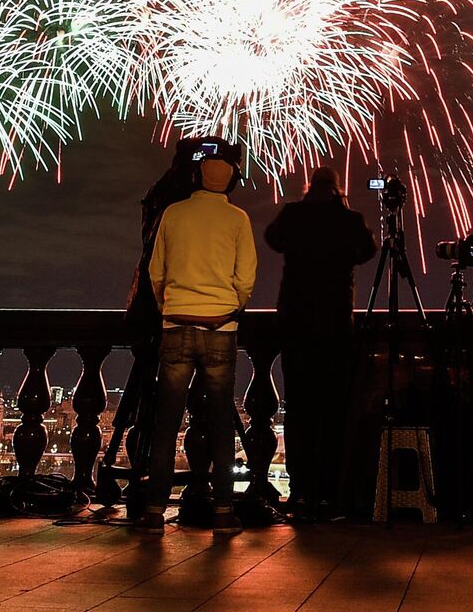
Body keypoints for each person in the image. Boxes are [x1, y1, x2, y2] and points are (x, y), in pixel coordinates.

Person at [137, 141, 257, 537]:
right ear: (233, 182)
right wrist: (229, 307)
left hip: (176, 325)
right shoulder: (238, 219)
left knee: (166, 420)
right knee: (222, 420)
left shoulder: (173, 213)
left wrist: (170, 305)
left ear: (195, 177)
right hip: (220, 327)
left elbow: (156, 272)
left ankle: (154, 511)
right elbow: (247, 278)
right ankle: (224, 512)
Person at [263, 165, 376, 522]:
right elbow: (368, 251)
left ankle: (300, 492)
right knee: (333, 412)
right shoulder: (349, 220)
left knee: (298, 411)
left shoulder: (294, 215)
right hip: (335, 325)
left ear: (311, 187)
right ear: (337, 189)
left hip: (296, 324)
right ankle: (329, 494)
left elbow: (273, 238)